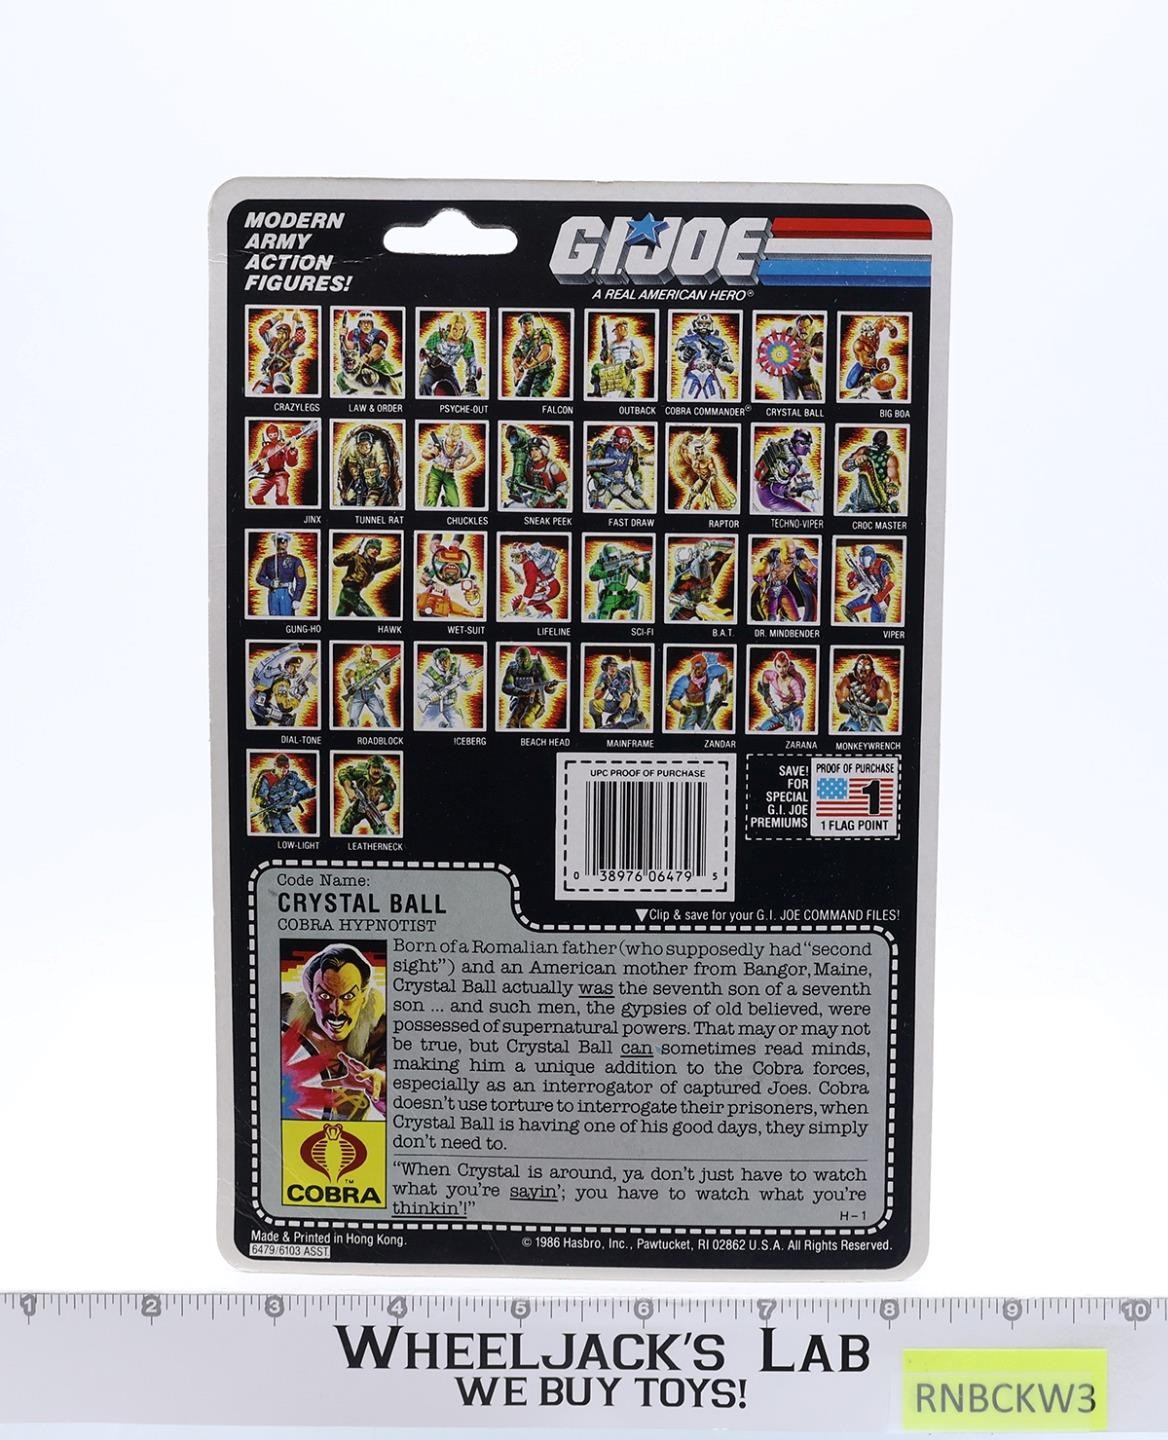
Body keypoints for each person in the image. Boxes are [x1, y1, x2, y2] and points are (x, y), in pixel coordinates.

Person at [281, 943, 386, 1122]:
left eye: (348, 997)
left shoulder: (379, 1034)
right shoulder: (285, 1016)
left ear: (363, 998)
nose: (336, 1010)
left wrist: (383, 1086)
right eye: (324, 996)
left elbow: (405, 1109)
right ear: (311, 998)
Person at [335, 426, 400, 508]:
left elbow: (383, 465)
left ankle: (387, 496)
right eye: (361, 445)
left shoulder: (378, 449)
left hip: (376, 478)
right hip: (361, 477)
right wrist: (356, 477)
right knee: (349, 497)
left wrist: (382, 478)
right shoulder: (353, 450)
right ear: (358, 445)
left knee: (370, 503)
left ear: (371, 445)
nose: (364, 448)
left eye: (366, 445)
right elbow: (352, 465)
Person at [416, 537, 481, 619]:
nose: (451, 578)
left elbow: (475, 585)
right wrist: (433, 583)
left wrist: (473, 595)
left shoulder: (462, 570)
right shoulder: (440, 564)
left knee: (441, 546)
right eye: (449, 575)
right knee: (440, 546)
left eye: (453, 575)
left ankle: (449, 542)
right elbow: (424, 576)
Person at [332, 537, 398, 618]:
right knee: (371, 617)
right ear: (366, 548)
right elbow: (337, 562)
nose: (375, 550)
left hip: (349, 594)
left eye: (377, 549)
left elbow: (390, 562)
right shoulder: (356, 558)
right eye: (372, 547)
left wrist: (403, 554)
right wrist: (351, 553)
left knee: (339, 618)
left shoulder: (374, 565)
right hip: (350, 593)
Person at [675, 312, 736, 399]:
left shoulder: (719, 342)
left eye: (706, 324)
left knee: (716, 399)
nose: (703, 326)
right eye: (701, 324)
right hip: (693, 372)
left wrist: (718, 362)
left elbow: (730, 368)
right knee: (687, 399)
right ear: (696, 324)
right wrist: (686, 354)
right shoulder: (687, 340)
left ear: (710, 324)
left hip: (710, 372)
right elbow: (681, 356)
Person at [249, 646, 314, 727]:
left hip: (256, 700)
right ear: (287, 667)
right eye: (293, 667)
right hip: (260, 706)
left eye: (298, 667)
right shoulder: (282, 682)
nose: (296, 670)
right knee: (288, 719)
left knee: (263, 724)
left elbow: (292, 676)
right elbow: (284, 707)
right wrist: (299, 695)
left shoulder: (279, 672)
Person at [587, 425, 648, 510]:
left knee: (643, 508)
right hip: (606, 487)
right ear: (615, 439)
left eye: (627, 440)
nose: (625, 443)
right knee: (598, 509)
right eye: (622, 440)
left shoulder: (632, 450)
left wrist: (638, 483)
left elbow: (635, 469)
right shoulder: (603, 448)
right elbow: (593, 470)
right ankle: (594, 496)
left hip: (622, 486)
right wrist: (601, 478)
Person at [419, 312, 480, 396]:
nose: (457, 333)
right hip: (431, 368)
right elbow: (425, 349)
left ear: (464, 330)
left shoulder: (467, 343)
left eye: (461, 330)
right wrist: (431, 356)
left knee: (456, 392)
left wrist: (471, 378)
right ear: (449, 328)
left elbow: (471, 361)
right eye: (455, 329)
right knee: (423, 385)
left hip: (448, 370)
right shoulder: (438, 336)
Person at [840, 429, 901, 513]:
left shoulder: (890, 457)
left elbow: (894, 480)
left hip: (879, 491)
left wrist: (892, 488)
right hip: (862, 489)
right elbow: (844, 466)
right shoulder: (864, 450)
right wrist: (854, 462)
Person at [588, 541, 652, 621]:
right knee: (601, 621)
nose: (613, 560)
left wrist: (646, 563)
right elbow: (592, 575)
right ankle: (593, 618)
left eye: (615, 558)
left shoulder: (626, 561)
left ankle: (635, 624)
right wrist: (615, 571)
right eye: (610, 558)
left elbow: (644, 579)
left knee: (637, 597)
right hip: (608, 600)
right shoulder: (601, 563)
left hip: (623, 598)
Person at [336, 753, 398, 835]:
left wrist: (376, 810)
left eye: (379, 768)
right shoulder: (360, 772)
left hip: (374, 808)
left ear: (382, 768)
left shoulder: (387, 780)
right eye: (374, 767)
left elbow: (389, 799)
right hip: (358, 806)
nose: (376, 770)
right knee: (344, 829)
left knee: (383, 833)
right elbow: (343, 772)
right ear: (369, 767)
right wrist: (349, 790)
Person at [251, 754, 314, 833]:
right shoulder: (267, 778)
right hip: (269, 814)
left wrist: (298, 796)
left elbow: (306, 789)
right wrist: (266, 803)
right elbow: (259, 798)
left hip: (283, 812)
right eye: (280, 766)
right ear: (275, 766)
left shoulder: (291, 777)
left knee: (295, 833)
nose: (283, 769)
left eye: (286, 766)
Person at [500, 646, 559, 729]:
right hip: (520, 700)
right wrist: (521, 692)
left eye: (526, 660)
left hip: (536, 700)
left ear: (529, 659)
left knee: (525, 722)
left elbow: (547, 685)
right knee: (511, 724)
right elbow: (506, 686)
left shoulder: (538, 667)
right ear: (517, 660)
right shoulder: (512, 668)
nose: (524, 663)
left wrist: (550, 687)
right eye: (521, 660)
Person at [667, 652, 730, 730]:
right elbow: (673, 699)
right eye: (695, 669)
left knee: (711, 731)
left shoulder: (709, 673)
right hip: (691, 710)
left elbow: (723, 671)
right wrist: (683, 709)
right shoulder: (685, 681)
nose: (697, 672)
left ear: (705, 669)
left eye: (700, 669)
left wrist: (723, 689)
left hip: (703, 710)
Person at [340, 645, 397, 729]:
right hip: (358, 694)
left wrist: (387, 673)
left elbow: (386, 682)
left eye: (369, 652)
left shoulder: (376, 665)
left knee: (381, 716)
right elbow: (345, 677)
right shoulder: (355, 664)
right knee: (352, 720)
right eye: (366, 652)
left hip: (371, 694)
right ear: (362, 653)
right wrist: (349, 688)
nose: (368, 654)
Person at [835, 652, 893, 732]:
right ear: (856, 667)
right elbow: (841, 699)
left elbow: (886, 700)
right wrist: (850, 708)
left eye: (867, 666)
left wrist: (874, 710)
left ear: (871, 668)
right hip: (855, 718)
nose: (863, 669)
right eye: (860, 665)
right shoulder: (847, 679)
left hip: (872, 718)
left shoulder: (879, 681)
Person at [419, 424, 474, 508]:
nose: (455, 440)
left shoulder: (461, 446)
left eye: (458, 437)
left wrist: (462, 465)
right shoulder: (437, 441)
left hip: (449, 475)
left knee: (455, 504)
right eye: (453, 436)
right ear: (447, 434)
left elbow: (472, 456)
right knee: (430, 503)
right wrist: (432, 453)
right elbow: (423, 454)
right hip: (435, 473)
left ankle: (445, 501)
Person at [416, 647, 472, 729]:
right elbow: (420, 691)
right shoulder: (430, 673)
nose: (444, 664)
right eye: (440, 661)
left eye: (446, 660)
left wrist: (468, 681)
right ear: (436, 661)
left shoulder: (456, 665)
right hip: (434, 707)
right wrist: (431, 694)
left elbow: (467, 688)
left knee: (459, 726)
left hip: (451, 706)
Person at [254, 532, 308, 617]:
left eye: (284, 541)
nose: (282, 543)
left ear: (287, 543)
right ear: (275, 543)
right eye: (279, 541)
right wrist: (270, 583)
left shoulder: (295, 560)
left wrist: (297, 598)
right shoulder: (268, 561)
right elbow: (259, 578)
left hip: (287, 594)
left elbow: (301, 581)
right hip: (273, 594)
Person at [590, 317, 645, 398]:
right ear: (615, 331)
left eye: (625, 328)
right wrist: (604, 356)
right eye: (621, 328)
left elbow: (641, 358)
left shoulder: (630, 342)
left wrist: (633, 363)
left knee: (626, 394)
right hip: (614, 371)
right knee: (596, 367)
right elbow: (608, 362)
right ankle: (597, 391)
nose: (624, 330)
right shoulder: (611, 345)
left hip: (625, 370)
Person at [254, 311, 308, 394]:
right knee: (259, 389)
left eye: (282, 331)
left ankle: (282, 393)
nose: (279, 333)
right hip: (270, 374)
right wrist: (275, 319)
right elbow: (262, 330)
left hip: (284, 373)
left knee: (279, 378)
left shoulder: (290, 345)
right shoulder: (273, 342)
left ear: (287, 333)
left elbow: (299, 339)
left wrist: (299, 322)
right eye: (278, 331)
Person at [506, 540, 563, 618]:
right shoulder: (529, 562)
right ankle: (545, 614)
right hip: (548, 586)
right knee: (533, 600)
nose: (515, 559)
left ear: (524, 554)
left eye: (517, 556)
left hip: (549, 589)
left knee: (516, 601)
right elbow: (534, 580)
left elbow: (531, 585)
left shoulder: (528, 564)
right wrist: (521, 580)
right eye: (512, 556)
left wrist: (521, 608)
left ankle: (528, 615)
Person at [587, 654, 644, 729]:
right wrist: (604, 688)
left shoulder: (623, 677)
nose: (613, 668)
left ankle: (637, 717)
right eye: (610, 666)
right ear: (604, 668)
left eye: (615, 666)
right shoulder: (603, 676)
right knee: (593, 703)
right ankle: (598, 727)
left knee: (625, 725)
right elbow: (596, 696)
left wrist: (617, 714)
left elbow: (626, 697)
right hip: (618, 702)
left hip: (629, 704)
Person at [842, 543, 895, 623]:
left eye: (866, 559)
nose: (863, 561)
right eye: (862, 559)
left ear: (872, 557)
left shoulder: (882, 564)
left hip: (882, 596)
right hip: (870, 595)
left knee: (876, 621)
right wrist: (850, 580)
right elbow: (853, 587)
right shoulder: (861, 568)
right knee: (849, 608)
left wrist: (882, 595)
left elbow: (893, 579)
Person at [249, 423, 299, 506]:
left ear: (278, 434)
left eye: (275, 434)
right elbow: (258, 467)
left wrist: (292, 448)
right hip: (270, 475)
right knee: (256, 496)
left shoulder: (284, 445)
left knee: (281, 497)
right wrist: (259, 463)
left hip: (281, 475)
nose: (273, 437)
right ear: (268, 435)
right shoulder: (265, 448)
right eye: (270, 435)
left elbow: (291, 463)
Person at [756, 651, 807, 732]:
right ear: (775, 667)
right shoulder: (772, 676)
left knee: (796, 729)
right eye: (779, 666)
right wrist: (766, 695)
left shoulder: (793, 682)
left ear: (788, 666)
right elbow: (765, 675)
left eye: (784, 666)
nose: (781, 670)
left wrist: (782, 711)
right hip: (783, 710)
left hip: (796, 710)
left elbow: (799, 700)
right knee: (764, 727)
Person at [510, 313, 556, 396]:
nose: (527, 326)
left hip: (545, 371)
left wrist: (534, 362)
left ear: (533, 324)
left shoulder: (542, 332)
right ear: (521, 326)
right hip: (531, 372)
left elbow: (546, 351)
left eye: (529, 323)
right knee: (519, 395)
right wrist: (517, 371)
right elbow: (516, 360)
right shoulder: (520, 342)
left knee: (535, 394)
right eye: (524, 324)